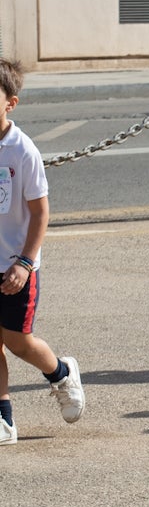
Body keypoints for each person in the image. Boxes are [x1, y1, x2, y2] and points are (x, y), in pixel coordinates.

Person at [0, 59, 85, 446]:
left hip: (16, 266)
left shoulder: (22, 150)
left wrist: (25, 262)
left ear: (10, 104)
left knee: (18, 343)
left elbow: (40, 212)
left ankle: (62, 373)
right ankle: (4, 421)